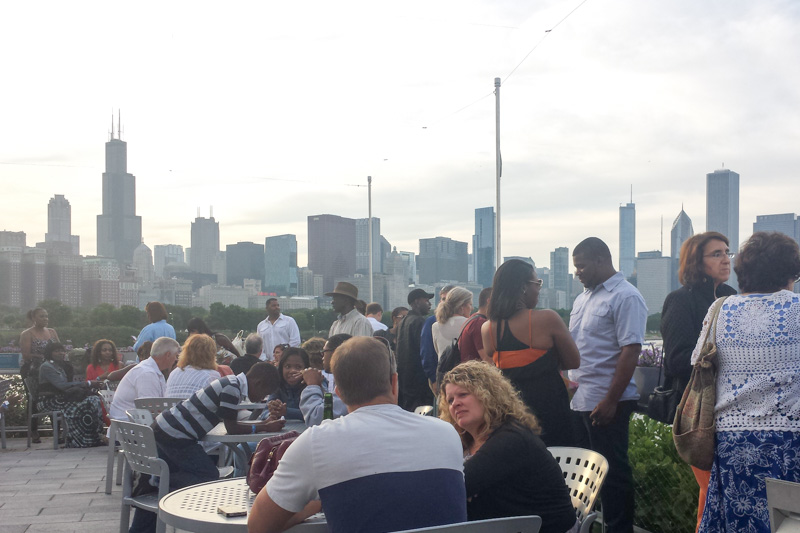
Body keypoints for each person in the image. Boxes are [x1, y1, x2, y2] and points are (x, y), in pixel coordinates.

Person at [248, 337, 467, 533]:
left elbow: (258, 526)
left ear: (339, 393)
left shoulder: (317, 443)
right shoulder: (447, 433)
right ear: (394, 381)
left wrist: (314, 504)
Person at [695, 232, 800, 533]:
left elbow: (698, 363)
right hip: (789, 443)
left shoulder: (719, 310)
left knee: (738, 522)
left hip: (732, 443)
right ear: (788, 273)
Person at [130, 363, 283, 533]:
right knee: (208, 475)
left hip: (167, 429)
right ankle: (159, 480)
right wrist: (265, 427)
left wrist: (262, 424)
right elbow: (232, 428)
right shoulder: (232, 388)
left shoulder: (231, 383)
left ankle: (157, 483)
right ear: (258, 382)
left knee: (192, 477)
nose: (263, 396)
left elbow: (231, 423)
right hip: (175, 435)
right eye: (265, 392)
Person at [440, 361, 578, 533]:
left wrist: (467, 491)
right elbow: (455, 486)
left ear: (487, 394)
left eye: (463, 394)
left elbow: (454, 487)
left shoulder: (511, 438)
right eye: (450, 400)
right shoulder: (466, 443)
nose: (455, 404)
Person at [569, 237, 647, 533]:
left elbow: (631, 350)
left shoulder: (626, 296)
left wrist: (612, 400)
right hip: (580, 399)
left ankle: (618, 530)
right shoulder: (583, 299)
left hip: (607, 401)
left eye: (582, 266)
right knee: (585, 475)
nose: (578, 272)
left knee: (613, 476)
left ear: (601, 260)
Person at [660, 231, 736, 527]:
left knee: (728, 492)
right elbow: (676, 360)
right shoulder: (680, 301)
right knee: (711, 491)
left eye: (727, 252)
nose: (725, 259)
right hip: (701, 411)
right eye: (716, 254)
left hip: (732, 407)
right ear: (696, 261)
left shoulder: (732, 297)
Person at [481, 259, 580, 447]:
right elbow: (574, 361)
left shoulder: (488, 329)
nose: (539, 289)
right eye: (537, 283)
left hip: (512, 413)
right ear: (523, 288)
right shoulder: (547, 318)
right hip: (550, 409)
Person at [37, 343, 106, 448]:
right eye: (56, 351)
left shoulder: (60, 365)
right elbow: (62, 386)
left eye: (62, 351)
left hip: (62, 398)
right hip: (50, 400)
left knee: (94, 400)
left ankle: (94, 437)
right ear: (49, 353)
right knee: (84, 405)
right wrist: (88, 383)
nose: (60, 353)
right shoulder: (47, 367)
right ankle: (77, 440)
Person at [108, 337, 180, 422]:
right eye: (176, 355)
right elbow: (151, 410)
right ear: (168, 355)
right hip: (133, 428)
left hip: (129, 425)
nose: (176, 359)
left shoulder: (148, 369)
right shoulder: (147, 373)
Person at [19, 307, 60, 443]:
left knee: (56, 395)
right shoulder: (27, 333)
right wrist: (44, 357)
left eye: (46, 316)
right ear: (33, 318)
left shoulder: (52, 332)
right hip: (33, 371)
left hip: (51, 370)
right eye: (42, 316)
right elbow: (26, 354)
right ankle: (34, 430)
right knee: (34, 400)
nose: (45, 319)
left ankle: (57, 430)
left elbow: (59, 348)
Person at [396, 288, 435, 411]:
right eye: (426, 300)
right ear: (417, 302)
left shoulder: (404, 321)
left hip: (405, 382)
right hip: (419, 383)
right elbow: (425, 352)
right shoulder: (420, 322)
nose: (429, 304)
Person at [299, 333, 351, 426]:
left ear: (336, 353)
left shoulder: (350, 384)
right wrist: (320, 388)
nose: (322, 355)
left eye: (324, 351)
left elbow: (316, 419)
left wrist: (312, 385)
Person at [166, 334, 221, 399]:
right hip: (194, 408)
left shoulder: (174, 373)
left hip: (173, 408)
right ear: (212, 354)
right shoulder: (212, 376)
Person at [263, 347, 310, 422]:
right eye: (287, 366)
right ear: (281, 368)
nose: (292, 371)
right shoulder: (278, 385)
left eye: (298, 367)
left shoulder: (312, 386)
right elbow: (264, 413)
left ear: (306, 368)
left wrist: (286, 412)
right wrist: (272, 413)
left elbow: (315, 414)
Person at [420, 285, 455, 384]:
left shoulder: (466, 321)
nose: (444, 302)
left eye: (447, 299)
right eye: (443, 299)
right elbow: (427, 352)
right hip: (441, 377)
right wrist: (434, 379)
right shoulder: (431, 322)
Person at [431, 286, 473, 356]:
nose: (471, 308)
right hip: (465, 366)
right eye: (470, 304)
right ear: (462, 306)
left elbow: (438, 352)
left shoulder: (435, 326)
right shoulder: (471, 323)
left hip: (444, 366)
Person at [257, 298, 301, 362]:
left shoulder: (289, 321)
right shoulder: (261, 325)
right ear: (267, 308)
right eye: (273, 306)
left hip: (285, 361)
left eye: (278, 305)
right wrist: (265, 360)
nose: (277, 307)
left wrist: (284, 356)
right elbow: (260, 346)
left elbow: (295, 341)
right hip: (267, 363)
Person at [459, 287, 491, 363]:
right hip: (476, 373)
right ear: (489, 301)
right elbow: (487, 359)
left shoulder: (472, 319)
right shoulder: (479, 323)